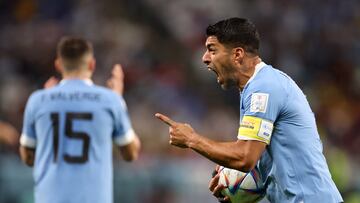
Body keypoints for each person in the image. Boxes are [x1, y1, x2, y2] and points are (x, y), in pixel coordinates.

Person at [155, 18, 343, 203]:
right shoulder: (258, 87)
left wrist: (191, 139)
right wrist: (239, 189)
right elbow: (268, 163)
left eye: (212, 50)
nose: (204, 58)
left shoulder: (263, 88)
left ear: (237, 55)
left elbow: (245, 157)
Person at [19, 36, 141, 203]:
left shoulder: (38, 100)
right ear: (92, 64)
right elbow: (131, 153)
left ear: (58, 64)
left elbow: (27, 157)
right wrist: (119, 101)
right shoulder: (110, 100)